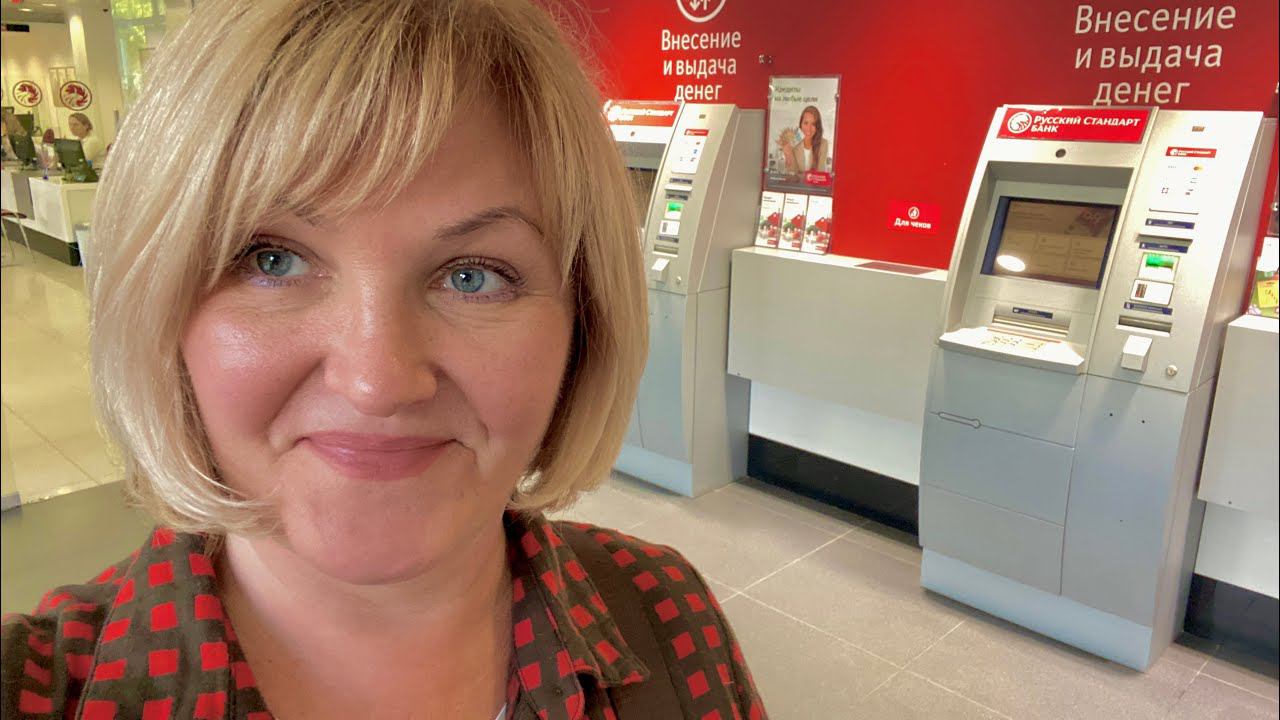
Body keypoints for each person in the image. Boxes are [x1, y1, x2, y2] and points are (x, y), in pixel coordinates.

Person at [0, 2, 767, 719]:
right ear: (160, 309)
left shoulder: (670, 620)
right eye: (271, 260)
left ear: (583, 326)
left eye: (473, 276)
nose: (377, 381)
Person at [778, 105, 829, 178]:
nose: (809, 128)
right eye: (806, 123)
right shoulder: (794, 142)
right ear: (801, 124)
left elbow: (820, 175)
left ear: (817, 127)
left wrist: (802, 176)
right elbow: (792, 174)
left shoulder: (823, 144)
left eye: (813, 124)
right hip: (795, 184)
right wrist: (789, 154)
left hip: (813, 185)